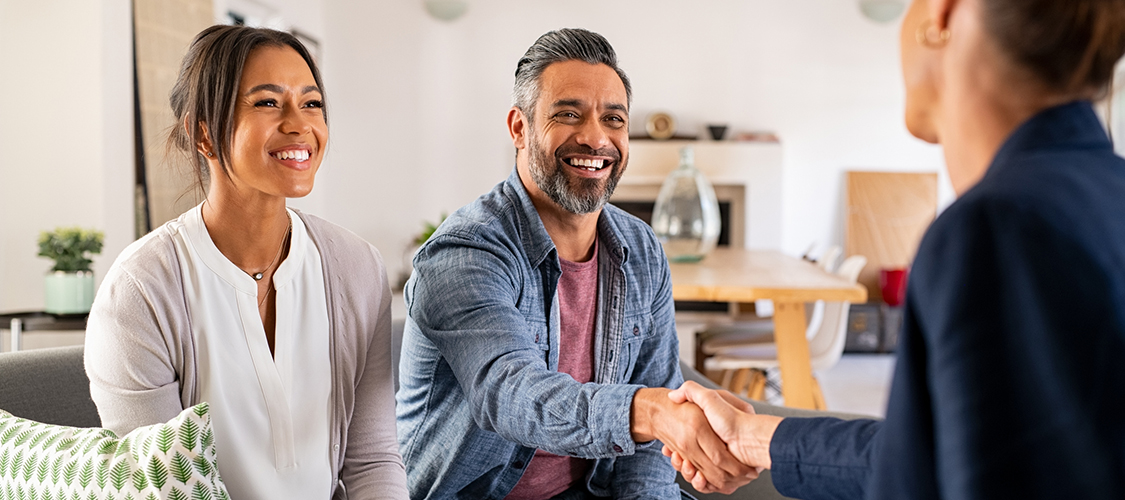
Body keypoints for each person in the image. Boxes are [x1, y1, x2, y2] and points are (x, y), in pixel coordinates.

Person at [664, 0, 1125, 498]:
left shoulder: (996, 229)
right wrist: (756, 438)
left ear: (943, 14)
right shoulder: (1104, 194)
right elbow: (941, 453)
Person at [395, 28, 755, 499]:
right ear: (519, 128)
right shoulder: (465, 253)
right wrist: (651, 412)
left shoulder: (641, 248)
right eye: (568, 114)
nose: (595, 138)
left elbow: (650, 446)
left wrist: (660, 427)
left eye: (614, 119)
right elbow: (511, 395)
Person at [84, 25, 408, 499]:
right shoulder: (141, 290)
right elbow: (159, 487)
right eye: (267, 102)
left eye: (312, 102)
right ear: (203, 134)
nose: (300, 124)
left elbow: (373, 459)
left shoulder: (357, 268)